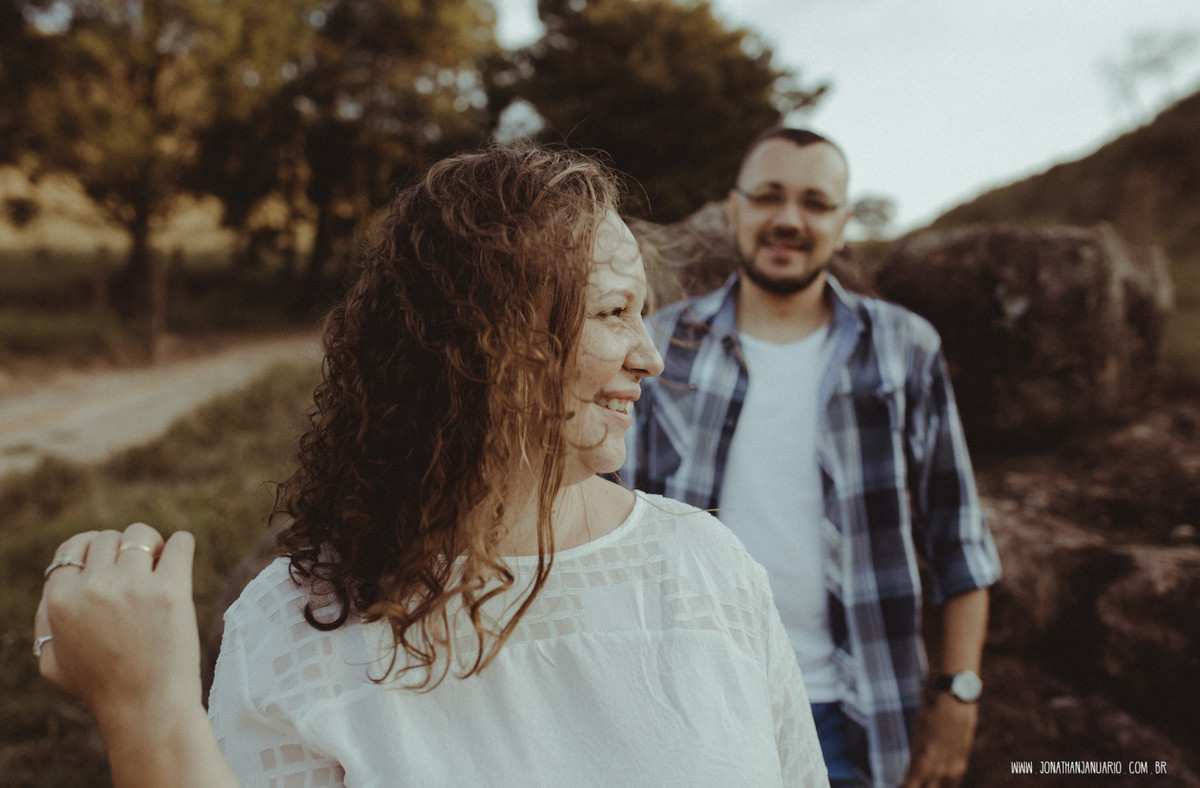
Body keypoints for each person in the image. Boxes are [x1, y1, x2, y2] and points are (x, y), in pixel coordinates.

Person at [33, 144, 829, 787]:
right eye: (616, 312)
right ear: (491, 341)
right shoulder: (293, 628)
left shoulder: (707, 569)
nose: (651, 358)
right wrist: (145, 711)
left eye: (642, 314)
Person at [620, 128, 1001, 788]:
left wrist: (958, 696)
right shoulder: (662, 346)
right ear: (734, 210)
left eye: (815, 202)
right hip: (693, 708)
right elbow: (612, 530)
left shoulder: (903, 349)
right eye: (769, 196)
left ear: (844, 224)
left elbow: (958, 537)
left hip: (861, 713)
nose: (789, 220)